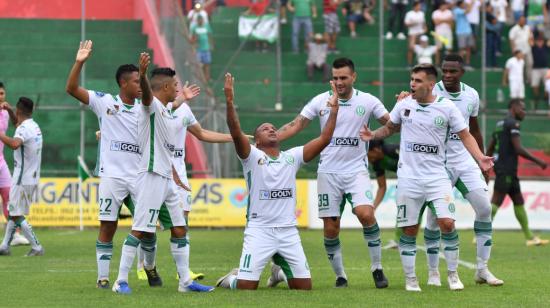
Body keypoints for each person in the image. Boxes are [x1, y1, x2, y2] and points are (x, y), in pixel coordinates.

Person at [360, 64, 494, 292]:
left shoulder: (447, 108)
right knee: (409, 229)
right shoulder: (404, 105)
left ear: (431, 84)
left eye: (418, 80)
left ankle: (452, 275)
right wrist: (372, 134)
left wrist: (480, 157)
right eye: (412, 79)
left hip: (437, 177)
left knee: (447, 223)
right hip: (408, 179)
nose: (412, 83)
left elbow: (465, 135)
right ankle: (411, 279)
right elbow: (390, 128)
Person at [216, 73, 339, 291]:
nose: (272, 129)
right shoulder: (252, 157)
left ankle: (278, 271)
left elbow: (324, 139)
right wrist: (228, 101)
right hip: (259, 229)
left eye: (273, 127)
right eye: (265, 128)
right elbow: (235, 131)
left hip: (288, 230)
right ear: (257, 140)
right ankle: (230, 279)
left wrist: (334, 111)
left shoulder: (292, 157)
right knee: (246, 287)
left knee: (304, 287)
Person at [277, 58, 390, 289]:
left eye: (343, 78)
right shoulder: (321, 101)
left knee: (366, 214)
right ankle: (340, 276)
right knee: (331, 228)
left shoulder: (368, 101)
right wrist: (270, 140)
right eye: (335, 78)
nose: (339, 82)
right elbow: (296, 124)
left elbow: (392, 123)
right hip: (328, 173)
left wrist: (387, 124)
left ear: (353, 77)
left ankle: (377, 269)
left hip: (357, 171)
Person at [112, 54, 214, 294]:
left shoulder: (167, 111)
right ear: (166, 86)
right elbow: (147, 96)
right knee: (140, 229)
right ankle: (121, 281)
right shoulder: (151, 106)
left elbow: (168, 134)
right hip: (150, 176)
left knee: (180, 228)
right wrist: (144, 75)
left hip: (166, 178)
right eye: (176, 85)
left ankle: (185, 283)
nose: (178, 88)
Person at [66, 40, 162, 289]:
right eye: (136, 81)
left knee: (148, 229)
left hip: (141, 177)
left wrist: (145, 76)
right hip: (112, 177)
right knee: (108, 225)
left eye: (142, 81)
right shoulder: (105, 102)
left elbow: (154, 101)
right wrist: (79, 61)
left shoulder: (147, 106)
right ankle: (103, 277)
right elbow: (72, 88)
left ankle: (149, 267)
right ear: (122, 83)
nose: (140, 86)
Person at [430, 54, 503, 287]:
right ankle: (433, 272)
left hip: (464, 161)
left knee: (484, 209)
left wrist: (481, 160)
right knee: (435, 220)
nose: (448, 75)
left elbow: (474, 130)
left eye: (453, 71)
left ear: (462, 72)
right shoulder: (430, 92)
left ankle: (482, 269)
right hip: (438, 164)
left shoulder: (471, 94)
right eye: (445, 71)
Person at [487, 99, 549, 246]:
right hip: (506, 168)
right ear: (513, 108)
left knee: (519, 201)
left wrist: (486, 164)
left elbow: (490, 146)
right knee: (496, 201)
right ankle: (480, 234)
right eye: (522, 108)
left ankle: (529, 238)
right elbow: (518, 148)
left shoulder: (499, 124)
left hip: (505, 168)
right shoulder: (513, 124)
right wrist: (539, 161)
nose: (524, 112)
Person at [0, 97, 44, 257]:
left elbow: (14, 144)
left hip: (21, 178)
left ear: (19, 111)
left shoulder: (23, 129)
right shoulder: (33, 125)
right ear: (31, 111)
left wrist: (1, 134)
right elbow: (18, 126)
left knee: (17, 213)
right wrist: (11, 111)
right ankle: (4, 246)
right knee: (14, 211)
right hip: (31, 177)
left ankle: (37, 246)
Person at [0, 82, 29, 247]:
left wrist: (10, 110)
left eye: (2, 93)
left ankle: (16, 235)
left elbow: (17, 124)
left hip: (1, 163)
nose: (0, 96)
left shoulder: (4, 113)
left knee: (9, 199)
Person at [367, 139, 401, 249]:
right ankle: (400, 241)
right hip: (407, 181)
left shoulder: (391, 150)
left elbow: (413, 159)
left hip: (421, 177)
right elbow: (382, 187)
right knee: (404, 209)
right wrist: (373, 208)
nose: (368, 158)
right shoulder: (376, 163)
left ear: (376, 150)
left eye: (368, 154)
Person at [508, 16, 533, 84]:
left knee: (530, 64)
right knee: (520, 66)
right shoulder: (514, 29)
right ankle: (521, 80)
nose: (523, 22)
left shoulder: (527, 28)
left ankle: (529, 79)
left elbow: (530, 37)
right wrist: (513, 50)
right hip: (519, 51)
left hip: (527, 49)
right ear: (519, 21)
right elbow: (511, 40)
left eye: (524, 20)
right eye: (521, 20)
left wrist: (531, 43)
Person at [191, 16, 213, 82]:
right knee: (198, 65)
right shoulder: (194, 28)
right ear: (197, 21)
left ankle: (207, 78)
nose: (200, 21)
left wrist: (211, 44)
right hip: (199, 50)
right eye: (199, 20)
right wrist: (195, 41)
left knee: (207, 64)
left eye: (201, 20)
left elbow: (209, 35)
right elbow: (193, 39)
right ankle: (198, 78)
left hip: (206, 49)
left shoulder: (206, 26)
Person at [405, 1, 427, 67]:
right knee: (410, 49)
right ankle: (409, 64)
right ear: (414, 6)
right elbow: (406, 24)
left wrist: (425, 29)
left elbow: (424, 24)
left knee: (420, 49)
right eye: (418, 6)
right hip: (412, 34)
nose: (419, 7)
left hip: (420, 34)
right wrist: (414, 23)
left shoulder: (422, 14)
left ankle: (419, 64)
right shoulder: (409, 14)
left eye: (420, 6)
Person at [454, 0, 474, 69]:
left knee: (468, 48)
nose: (464, 5)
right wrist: (471, 3)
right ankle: (460, 65)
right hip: (461, 32)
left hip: (468, 31)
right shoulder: (456, 10)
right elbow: (467, 11)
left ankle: (468, 63)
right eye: (463, 4)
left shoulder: (463, 9)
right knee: (462, 49)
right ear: (460, 4)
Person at [530, 36, 548, 109]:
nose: (540, 42)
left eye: (541, 41)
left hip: (545, 68)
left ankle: (546, 97)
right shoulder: (533, 48)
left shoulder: (546, 47)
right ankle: (536, 97)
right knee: (535, 84)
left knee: (547, 85)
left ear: (543, 42)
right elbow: (530, 41)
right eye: (538, 41)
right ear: (536, 42)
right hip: (535, 69)